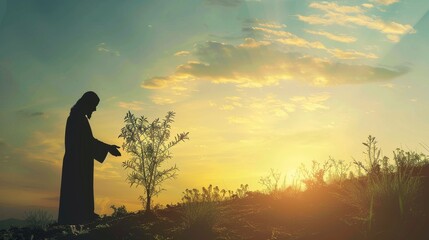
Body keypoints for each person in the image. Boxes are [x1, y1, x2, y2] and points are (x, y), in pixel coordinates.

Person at [58, 91, 121, 225]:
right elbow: (86, 142)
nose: (95, 109)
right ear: (87, 104)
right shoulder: (77, 119)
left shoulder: (78, 118)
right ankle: (78, 217)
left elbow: (87, 141)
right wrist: (108, 148)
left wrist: (107, 147)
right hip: (77, 163)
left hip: (79, 161)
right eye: (94, 105)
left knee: (81, 188)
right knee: (77, 189)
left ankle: (83, 214)